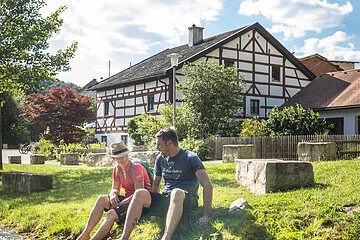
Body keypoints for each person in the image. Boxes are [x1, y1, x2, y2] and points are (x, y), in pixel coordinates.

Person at [114, 128, 213, 240]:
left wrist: (205, 215)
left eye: (159, 145)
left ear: (169, 143)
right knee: (140, 193)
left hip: (186, 200)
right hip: (167, 198)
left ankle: (166, 237)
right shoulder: (160, 158)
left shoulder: (191, 158)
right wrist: (154, 209)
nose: (156, 148)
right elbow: (156, 185)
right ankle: (124, 238)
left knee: (176, 192)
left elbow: (207, 185)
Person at [77, 141, 152, 240]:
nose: (124, 158)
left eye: (125, 155)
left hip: (139, 204)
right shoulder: (117, 169)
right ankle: (86, 233)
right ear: (114, 158)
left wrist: (120, 204)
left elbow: (139, 192)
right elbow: (115, 188)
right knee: (102, 199)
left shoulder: (136, 167)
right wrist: (113, 195)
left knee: (111, 213)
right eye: (120, 157)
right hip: (127, 200)